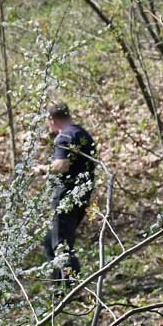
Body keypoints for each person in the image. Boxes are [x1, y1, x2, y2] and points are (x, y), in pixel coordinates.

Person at [42, 102, 97, 285]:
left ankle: (68, 289)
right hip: (82, 196)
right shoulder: (83, 135)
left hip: (66, 197)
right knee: (51, 241)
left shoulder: (64, 137)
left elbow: (61, 165)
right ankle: (62, 284)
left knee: (61, 245)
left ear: (52, 120)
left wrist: (41, 169)